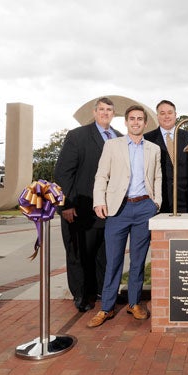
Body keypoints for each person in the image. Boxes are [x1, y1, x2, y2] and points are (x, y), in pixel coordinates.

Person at [87, 105, 162, 328]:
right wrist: (99, 201)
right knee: (114, 260)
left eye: (140, 119)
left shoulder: (154, 149)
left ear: (145, 123)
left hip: (144, 209)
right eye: (132, 119)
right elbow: (101, 176)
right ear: (126, 122)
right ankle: (106, 308)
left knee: (138, 260)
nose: (136, 122)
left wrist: (156, 203)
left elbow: (157, 177)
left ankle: (134, 302)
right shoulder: (112, 145)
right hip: (117, 210)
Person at [53, 97, 122, 313]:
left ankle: (102, 290)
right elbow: (63, 173)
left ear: (113, 114)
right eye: (101, 109)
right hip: (80, 208)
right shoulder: (78, 136)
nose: (105, 113)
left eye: (109, 110)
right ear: (94, 112)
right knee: (79, 254)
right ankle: (81, 295)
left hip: (109, 209)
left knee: (103, 254)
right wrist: (65, 206)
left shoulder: (119, 138)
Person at [144, 100, 188, 213]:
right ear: (157, 116)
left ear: (175, 115)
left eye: (170, 112)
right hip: (158, 202)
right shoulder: (147, 139)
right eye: (162, 113)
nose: (166, 116)